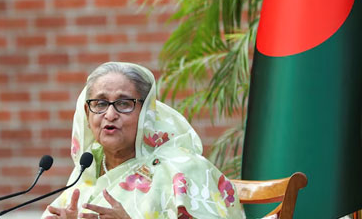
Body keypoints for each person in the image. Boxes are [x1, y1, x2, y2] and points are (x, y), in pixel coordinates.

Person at [42, 62, 245, 219]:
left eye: (123, 103)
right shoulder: (86, 170)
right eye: (100, 103)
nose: (110, 114)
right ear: (87, 113)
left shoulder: (182, 170)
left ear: (146, 114)